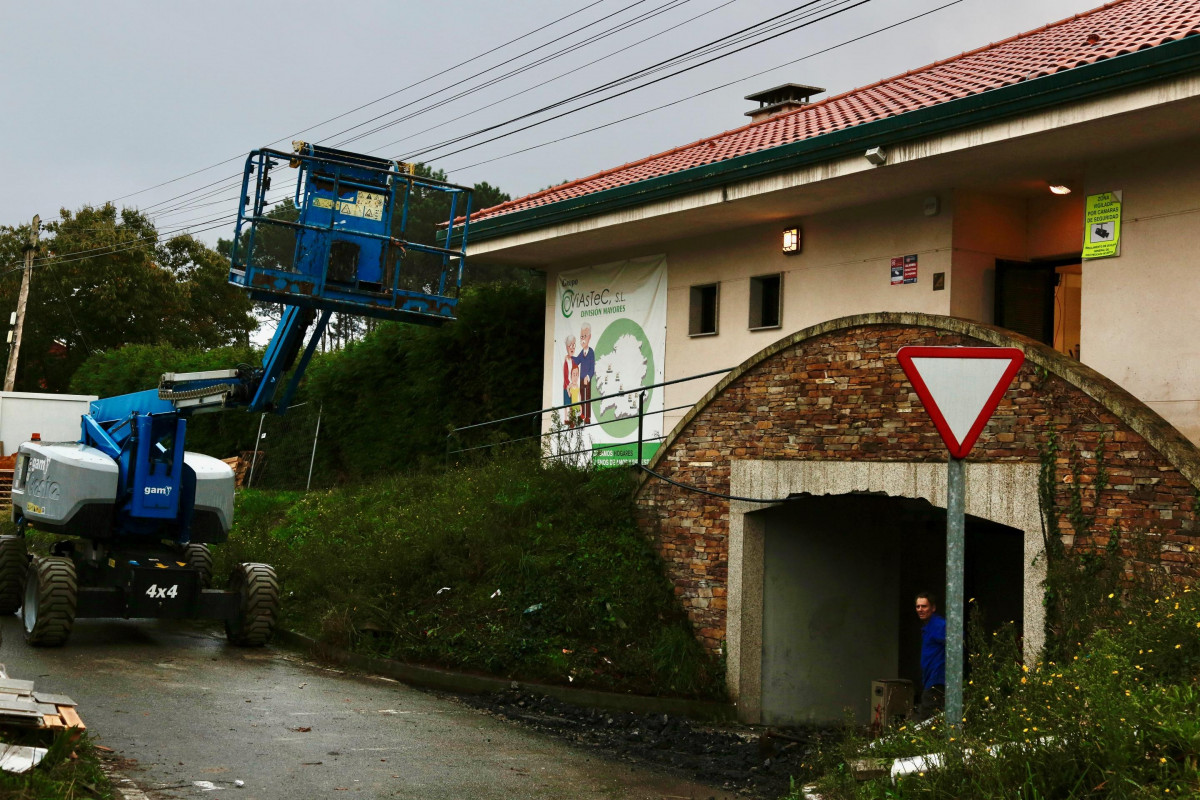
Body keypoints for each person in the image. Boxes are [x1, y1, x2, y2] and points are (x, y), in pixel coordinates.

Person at [914, 591, 946, 720]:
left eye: (924, 606)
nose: (920, 610)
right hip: (930, 679)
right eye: (918, 607)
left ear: (933, 608)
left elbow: (958, 640)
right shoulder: (928, 627)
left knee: (926, 720)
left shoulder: (939, 625)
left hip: (937, 680)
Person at [576, 323, 595, 424]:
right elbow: (577, 360)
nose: (583, 339)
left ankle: (588, 417)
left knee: (587, 397)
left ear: (589, 337)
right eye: (581, 337)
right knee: (581, 397)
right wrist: (570, 357)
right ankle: (582, 414)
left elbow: (592, 368)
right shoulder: (581, 352)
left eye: (585, 336)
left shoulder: (591, 352)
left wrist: (588, 376)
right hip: (581, 379)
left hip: (587, 379)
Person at [562, 333, 577, 408]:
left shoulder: (574, 361)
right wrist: (569, 386)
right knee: (567, 405)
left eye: (573, 346)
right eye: (570, 346)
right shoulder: (566, 362)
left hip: (574, 387)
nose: (572, 348)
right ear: (567, 347)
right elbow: (565, 377)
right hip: (567, 387)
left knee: (573, 405)